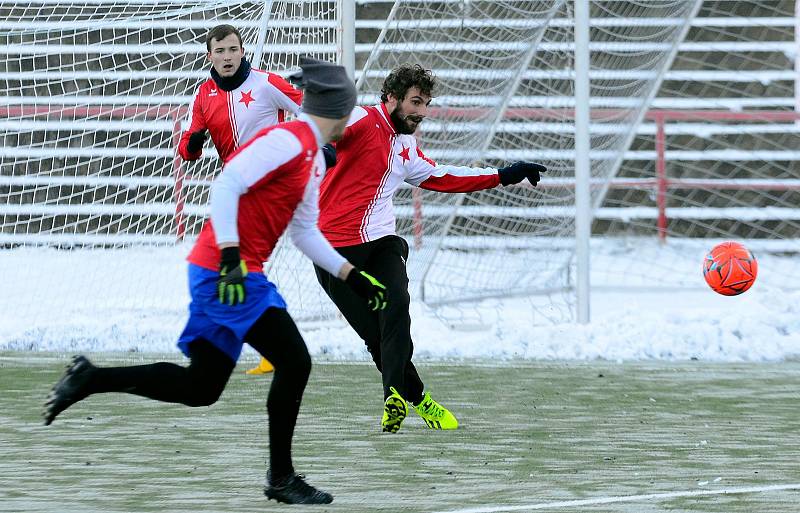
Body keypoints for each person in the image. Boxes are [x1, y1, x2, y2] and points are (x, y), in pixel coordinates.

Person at [43, 57, 388, 505]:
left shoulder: (312, 158)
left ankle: (90, 378)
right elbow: (227, 184)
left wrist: (352, 275)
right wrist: (230, 256)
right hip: (229, 272)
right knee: (295, 362)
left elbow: (303, 231)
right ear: (339, 109)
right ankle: (281, 477)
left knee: (201, 388)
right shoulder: (287, 140)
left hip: (226, 271)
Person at [314, 63, 546, 433]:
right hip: (335, 255)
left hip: (381, 244)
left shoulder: (405, 146)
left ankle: (393, 397)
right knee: (377, 338)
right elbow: (325, 126)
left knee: (398, 307)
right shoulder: (361, 118)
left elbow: (441, 177)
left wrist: (503, 175)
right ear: (390, 98)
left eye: (426, 103)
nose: (421, 112)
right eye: (415, 102)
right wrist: (322, 144)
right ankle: (419, 399)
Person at [177, 23, 305, 375]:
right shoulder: (204, 95)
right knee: (247, 264)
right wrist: (192, 144)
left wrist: (321, 143)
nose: (227, 56)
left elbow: (306, 111)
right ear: (210, 56)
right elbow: (189, 145)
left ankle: (268, 344)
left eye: (233, 49)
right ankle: (264, 343)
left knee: (251, 262)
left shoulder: (266, 83)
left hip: (274, 188)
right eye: (220, 51)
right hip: (237, 193)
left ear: (242, 51)